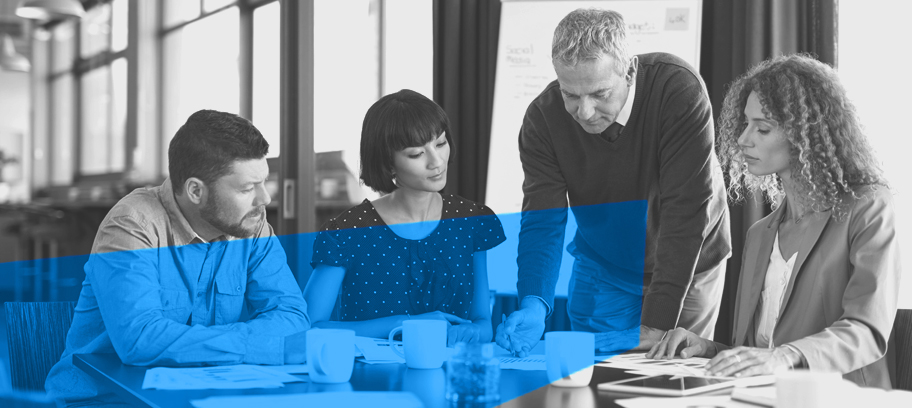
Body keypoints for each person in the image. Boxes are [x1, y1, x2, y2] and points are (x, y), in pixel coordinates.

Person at [647, 54, 900, 388]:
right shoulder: (759, 234)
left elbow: (867, 330)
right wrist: (707, 349)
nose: (743, 139)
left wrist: (783, 356)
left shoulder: (868, 208)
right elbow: (757, 353)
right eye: (746, 124)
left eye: (762, 128)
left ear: (806, 135)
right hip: (764, 397)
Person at [497, 8, 731, 356]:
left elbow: (686, 211)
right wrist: (534, 305)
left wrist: (658, 322)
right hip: (605, 264)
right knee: (596, 376)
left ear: (630, 71)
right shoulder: (543, 119)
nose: (585, 112)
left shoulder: (677, 90)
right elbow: (543, 221)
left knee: (673, 377)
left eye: (600, 94)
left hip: (691, 261)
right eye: (570, 95)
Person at [45, 110, 312, 405]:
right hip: (108, 399)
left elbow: (293, 319)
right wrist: (260, 344)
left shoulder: (253, 227)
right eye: (247, 188)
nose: (265, 199)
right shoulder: (132, 224)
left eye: (263, 183)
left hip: (202, 395)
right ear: (196, 190)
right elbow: (140, 341)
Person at [304, 89, 506, 346]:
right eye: (416, 154)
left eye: (440, 143)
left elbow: (482, 323)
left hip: (449, 374)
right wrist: (405, 324)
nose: (436, 162)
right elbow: (310, 327)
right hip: (371, 379)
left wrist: (470, 333)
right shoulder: (347, 231)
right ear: (388, 164)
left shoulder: (471, 220)